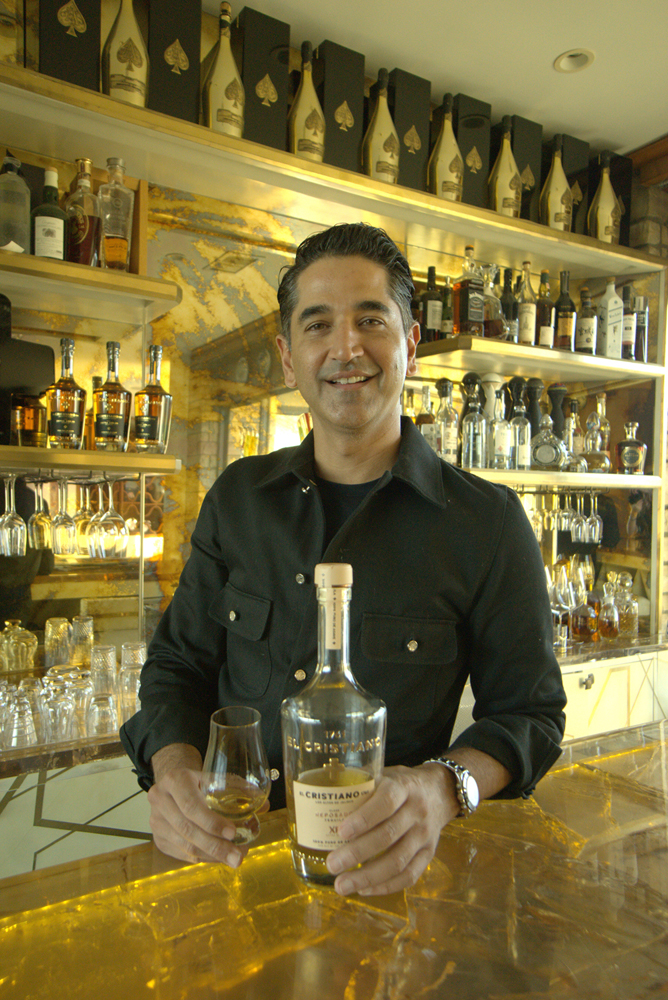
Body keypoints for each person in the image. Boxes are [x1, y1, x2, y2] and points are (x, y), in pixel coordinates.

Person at [121, 223, 566, 898]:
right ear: (288, 357)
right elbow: (178, 667)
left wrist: (442, 788)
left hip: (389, 876)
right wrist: (174, 768)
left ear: (410, 344)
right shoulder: (238, 500)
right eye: (318, 324)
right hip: (230, 865)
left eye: (371, 320)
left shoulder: (489, 523)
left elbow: (530, 715)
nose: (346, 347)